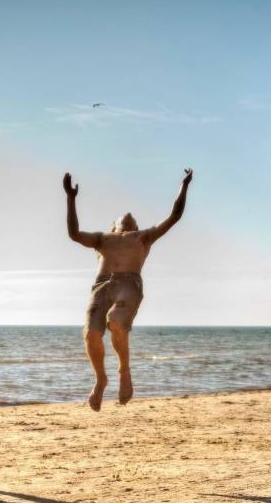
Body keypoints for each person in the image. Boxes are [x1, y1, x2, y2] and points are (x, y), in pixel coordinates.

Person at [64, 169, 193, 411]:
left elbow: (175, 215)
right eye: (121, 222)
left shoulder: (143, 237)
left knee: (115, 321)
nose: (128, 218)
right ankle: (101, 380)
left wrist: (184, 186)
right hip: (101, 286)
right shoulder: (102, 239)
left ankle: (124, 370)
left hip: (128, 284)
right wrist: (70, 198)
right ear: (113, 227)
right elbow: (74, 234)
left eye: (133, 222)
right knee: (91, 334)